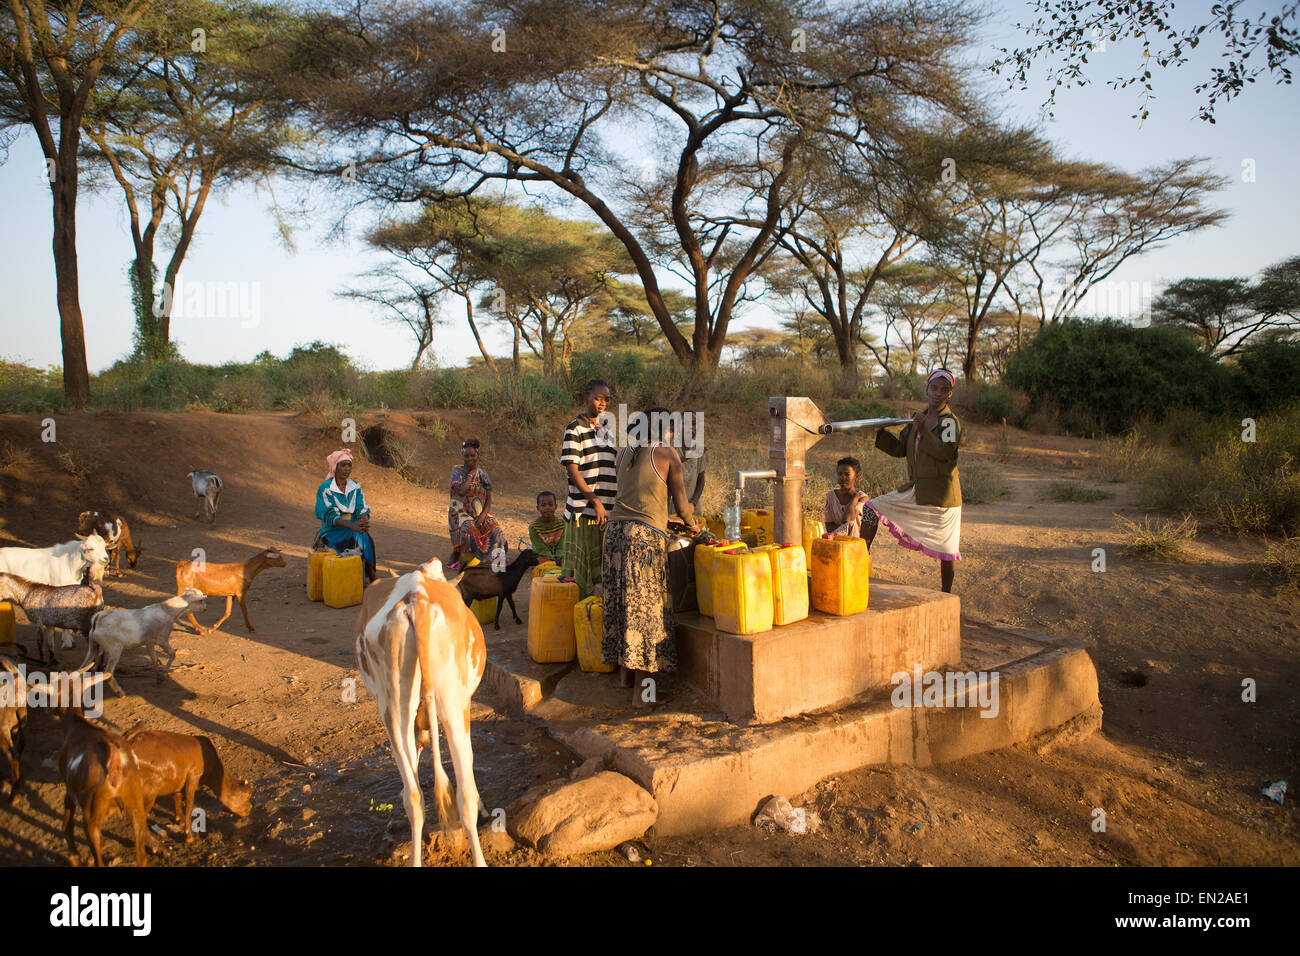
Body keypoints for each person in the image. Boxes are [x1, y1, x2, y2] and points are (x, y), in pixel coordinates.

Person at [601, 408, 699, 706]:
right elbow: (683, 507)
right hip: (641, 543)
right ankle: (644, 697)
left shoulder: (624, 453)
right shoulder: (668, 454)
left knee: (623, 609)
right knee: (646, 614)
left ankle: (625, 679)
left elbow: (635, 499)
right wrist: (694, 525)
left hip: (615, 536)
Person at [863, 369, 963, 592]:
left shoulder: (949, 423)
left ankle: (946, 597)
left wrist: (923, 429)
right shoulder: (917, 417)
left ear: (950, 395)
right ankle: (857, 569)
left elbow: (945, 453)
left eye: (944, 389)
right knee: (871, 508)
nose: (938, 393)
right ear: (927, 390)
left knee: (947, 552)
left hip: (943, 496)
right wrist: (881, 433)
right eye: (934, 388)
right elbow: (900, 449)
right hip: (917, 490)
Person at [560, 380, 617, 599]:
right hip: (584, 511)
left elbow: (610, 464)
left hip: (606, 510)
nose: (603, 403)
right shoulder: (574, 428)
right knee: (582, 573)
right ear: (587, 396)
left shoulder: (607, 428)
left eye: (607, 399)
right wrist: (595, 501)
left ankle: (593, 622)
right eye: (598, 398)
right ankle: (579, 618)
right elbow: (573, 471)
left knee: (601, 570)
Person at [315, 449, 377, 583]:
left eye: (349, 465)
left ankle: (371, 576)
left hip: (353, 527)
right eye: (342, 465)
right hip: (333, 530)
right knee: (360, 537)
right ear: (334, 468)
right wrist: (353, 526)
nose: (347, 469)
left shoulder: (354, 486)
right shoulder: (325, 488)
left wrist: (364, 521)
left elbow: (361, 508)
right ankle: (371, 578)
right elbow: (329, 515)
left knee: (365, 537)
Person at [448, 438, 507, 571]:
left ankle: (496, 562)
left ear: (477, 455)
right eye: (466, 455)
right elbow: (462, 491)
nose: (469, 458)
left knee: (496, 530)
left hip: (481, 512)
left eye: (472, 455)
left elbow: (489, 498)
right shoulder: (457, 472)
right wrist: (470, 475)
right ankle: (461, 555)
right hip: (460, 512)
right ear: (462, 456)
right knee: (468, 528)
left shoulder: (483, 474)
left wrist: (483, 515)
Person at [672, 410, 707, 517]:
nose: (691, 427)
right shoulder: (670, 447)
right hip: (672, 508)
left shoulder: (698, 448)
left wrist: (693, 503)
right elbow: (667, 467)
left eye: (694, 424)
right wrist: (688, 456)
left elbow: (701, 480)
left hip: (693, 508)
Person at [825, 457, 871, 537]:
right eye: (840, 474)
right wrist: (847, 528)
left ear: (856, 476)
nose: (842, 478)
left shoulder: (862, 498)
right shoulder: (831, 496)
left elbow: (849, 519)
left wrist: (854, 499)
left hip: (856, 543)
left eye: (847, 474)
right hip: (837, 542)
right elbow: (829, 527)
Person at [528, 491, 566, 563]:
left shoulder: (562, 524)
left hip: (560, 555)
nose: (547, 507)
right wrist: (553, 559)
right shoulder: (534, 527)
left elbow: (562, 545)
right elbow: (540, 549)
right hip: (543, 555)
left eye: (551, 505)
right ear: (538, 508)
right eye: (543, 505)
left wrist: (559, 556)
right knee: (545, 564)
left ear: (556, 507)